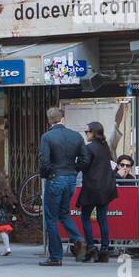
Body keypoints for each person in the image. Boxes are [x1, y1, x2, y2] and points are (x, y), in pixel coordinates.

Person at [38, 107, 88, 266]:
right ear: (63, 119)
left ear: (49, 121)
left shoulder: (47, 137)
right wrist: (74, 170)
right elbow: (85, 159)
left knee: (51, 219)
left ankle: (55, 257)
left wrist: (47, 175)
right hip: (71, 178)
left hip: (55, 178)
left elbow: (44, 161)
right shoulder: (76, 136)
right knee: (64, 214)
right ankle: (78, 239)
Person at [75, 121, 118, 263]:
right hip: (106, 188)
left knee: (85, 217)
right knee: (102, 218)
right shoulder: (105, 147)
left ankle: (91, 247)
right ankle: (105, 249)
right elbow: (111, 165)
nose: (85, 134)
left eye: (87, 131)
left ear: (93, 132)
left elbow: (83, 165)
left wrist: (75, 164)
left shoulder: (89, 148)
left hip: (92, 187)